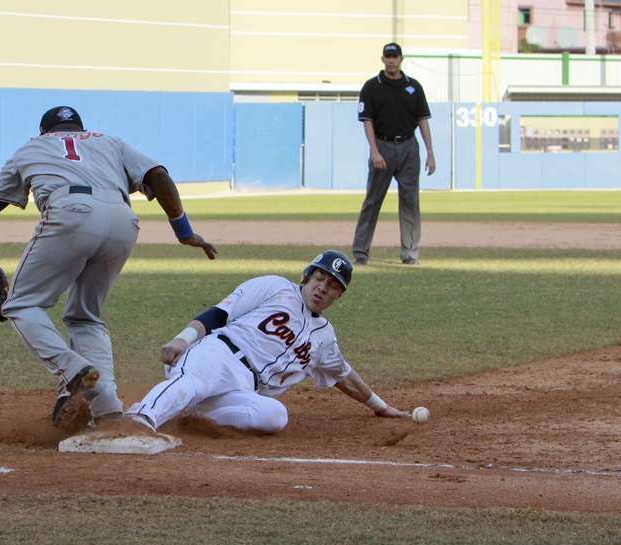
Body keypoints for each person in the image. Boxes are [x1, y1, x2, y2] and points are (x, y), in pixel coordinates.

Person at [0, 105, 217, 429]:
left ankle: (71, 370)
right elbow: (158, 176)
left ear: (46, 132)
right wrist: (183, 231)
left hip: (69, 211)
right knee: (84, 316)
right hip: (122, 221)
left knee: (21, 304)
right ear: (80, 129)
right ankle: (108, 408)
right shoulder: (109, 142)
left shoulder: (32, 147)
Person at [118, 250, 408, 438]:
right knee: (194, 381)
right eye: (320, 278)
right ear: (307, 277)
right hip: (219, 353)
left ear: (339, 296)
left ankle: (186, 416)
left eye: (333, 286)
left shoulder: (324, 336)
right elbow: (221, 312)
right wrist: (183, 338)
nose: (323, 288)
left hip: (245, 387)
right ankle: (138, 418)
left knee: (274, 416)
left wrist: (380, 406)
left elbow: (343, 375)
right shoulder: (276, 287)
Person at [352, 42, 435, 266]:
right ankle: (361, 251)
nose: (391, 60)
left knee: (410, 201)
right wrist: (374, 151)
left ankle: (410, 253)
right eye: (388, 56)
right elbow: (367, 121)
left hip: (409, 146)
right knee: (373, 200)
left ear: (401, 59)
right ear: (382, 59)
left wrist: (430, 152)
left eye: (395, 56)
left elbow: (422, 120)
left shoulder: (413, 87)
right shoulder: (371, 86)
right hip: (383, 145)